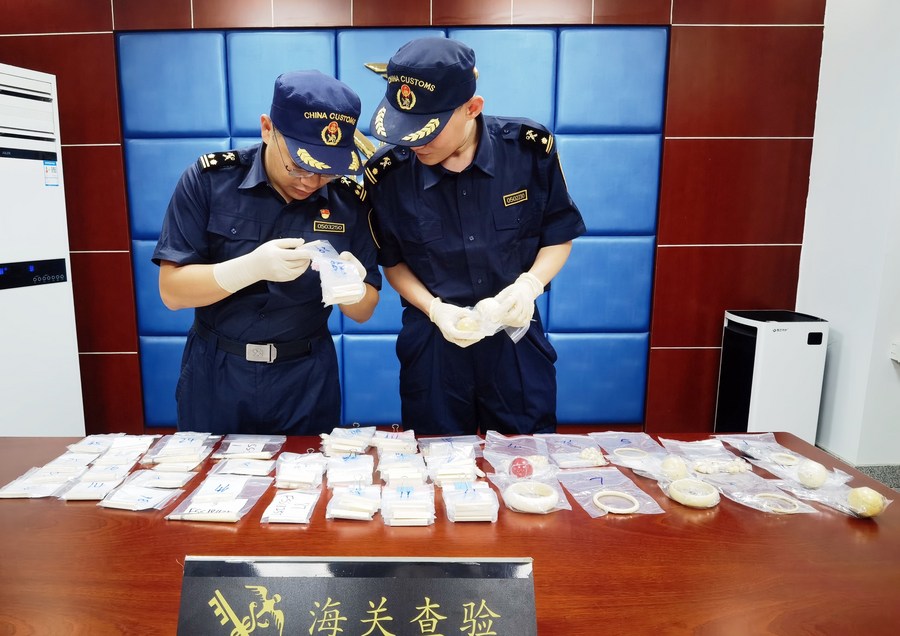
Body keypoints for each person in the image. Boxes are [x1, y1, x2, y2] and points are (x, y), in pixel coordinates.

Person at [364, 37, 586, 436]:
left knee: (526, 462)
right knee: (438, 469)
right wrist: (434, 309)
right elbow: (393, 262)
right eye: (405, 128)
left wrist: (528, 286)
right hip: (434, 345)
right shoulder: (388, 174)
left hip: (514, 337)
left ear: (472, 109)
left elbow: (558, 232)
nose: (413, 142)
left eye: (426, 131)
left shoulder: (529, 151)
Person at [153, 70, 381, 435]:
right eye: (298, 165)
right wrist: (248, 269)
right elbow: (172, 291)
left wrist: (351, 289)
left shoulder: (349, 201)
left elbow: (365, 310)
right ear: (267, 129)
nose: (309, 180)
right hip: (217, 373)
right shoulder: (209, 181)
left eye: (324, 171)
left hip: (305, 378)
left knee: (307, 487)